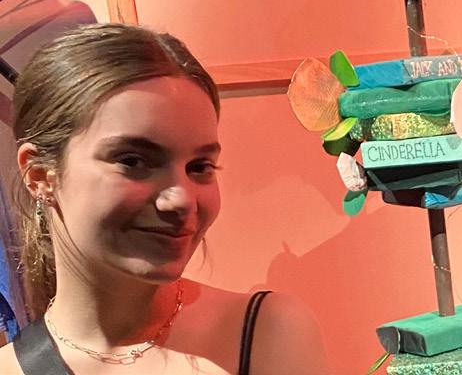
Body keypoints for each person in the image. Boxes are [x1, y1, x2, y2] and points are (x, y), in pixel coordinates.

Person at [0, 24, 331, 374]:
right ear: (40, 175)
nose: (181, 200)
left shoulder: (267, 333)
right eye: (133, 161)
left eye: (199, 166)